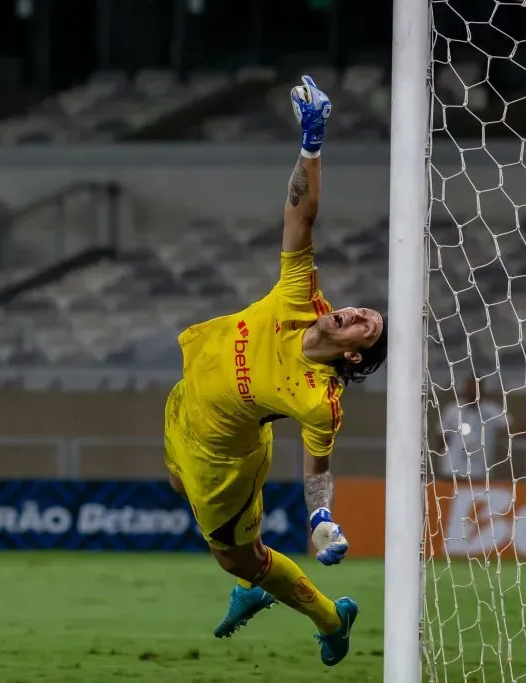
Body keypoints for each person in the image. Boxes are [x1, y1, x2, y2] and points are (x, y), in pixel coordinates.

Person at [162, 75, 388, 667]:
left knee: (237, 556)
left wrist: (320, 519)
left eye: (369, 325)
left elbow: (318, 467)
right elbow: (300, 220)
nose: (362, 311)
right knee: (174, 485)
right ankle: (255, 584)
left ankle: (329, 618)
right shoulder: (300, 298)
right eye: (366, 309)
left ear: (356, 355)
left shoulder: (321, 398)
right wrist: (311, 144)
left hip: (224, 452)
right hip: (183, 401)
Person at [435, 377, 509, 481]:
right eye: (470, 388)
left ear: (482, 389)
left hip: (479, 469)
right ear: (465, 389)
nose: (473, 391)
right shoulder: (452, 409)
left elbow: (510, 426)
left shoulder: (492, 410)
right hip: (452, 467)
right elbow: (441, 435)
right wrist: (440, 460)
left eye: (476, 388)